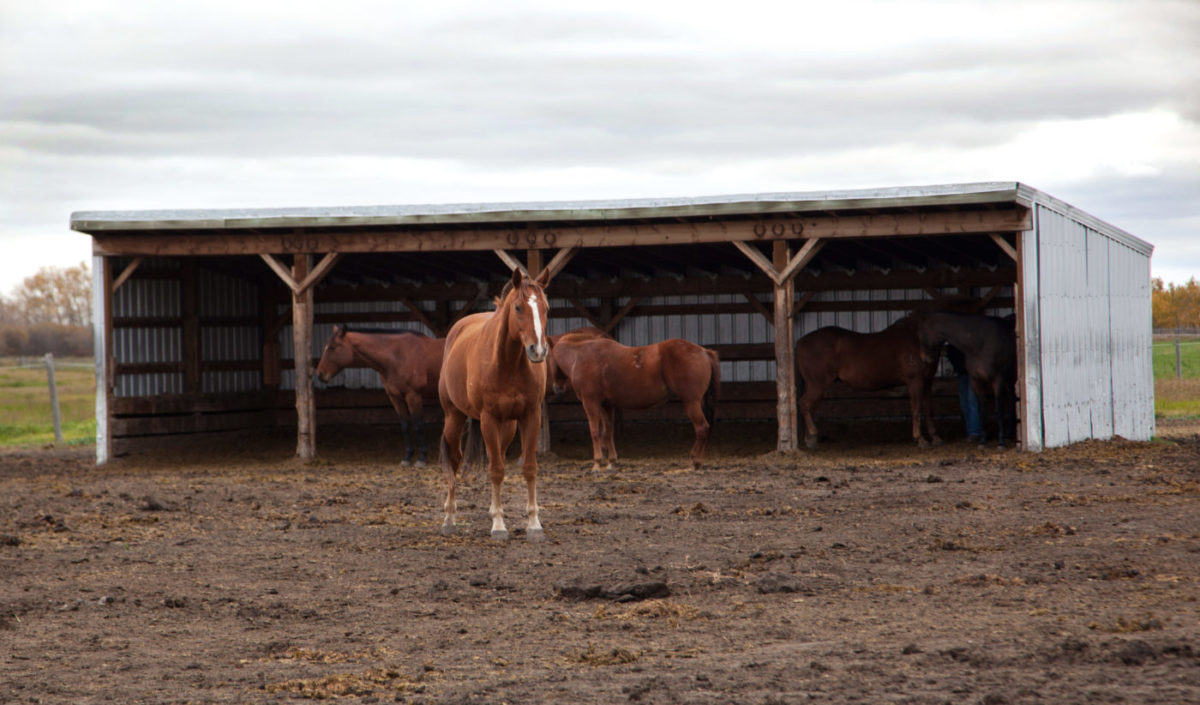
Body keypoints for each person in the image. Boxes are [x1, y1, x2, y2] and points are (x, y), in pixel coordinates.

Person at [947, 345, 983, 443]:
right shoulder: (955, 344)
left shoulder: (964, 342)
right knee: (965, 404)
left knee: (972, 402)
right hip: (962, 373)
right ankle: (971, 432)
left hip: (971, 374)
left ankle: (975, 432)